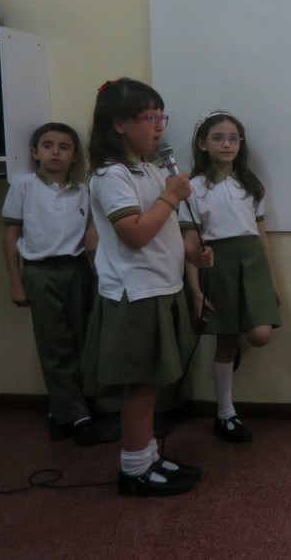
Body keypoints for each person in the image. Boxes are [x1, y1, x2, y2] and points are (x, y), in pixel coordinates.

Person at [84, 78, 213, 496]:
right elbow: (135, 234)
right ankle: (134, 469)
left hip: (162, 287)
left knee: (153, 383)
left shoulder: (152, 171)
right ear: (119, 123)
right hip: (135, 294)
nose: (159, 127)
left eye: (161, 117)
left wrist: (191, 254)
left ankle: (148, 456)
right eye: (149, 117)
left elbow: (162, 233)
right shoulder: (111, 175)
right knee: (140, 386)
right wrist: (172, 196)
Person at [180, 111, 280, 444]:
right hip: (217, 265)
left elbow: (261, 235)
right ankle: (225, 413)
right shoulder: (194, 188)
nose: (227, 144)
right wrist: (195, 290)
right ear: (202, 144)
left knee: (260, 334)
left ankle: (233, 353)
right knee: (225, 342)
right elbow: (191, 244)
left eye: (234, 138)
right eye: (218, 138)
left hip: (252, 264)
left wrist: (272, 280)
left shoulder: (251, 185)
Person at [2, 122, 99, 446]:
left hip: (77, 271)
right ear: (35, 152)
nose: (55, 152)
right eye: (47, 145)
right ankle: (79, 416)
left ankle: (61, 410)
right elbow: (11, 236)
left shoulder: (83, 191)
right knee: (54, 345)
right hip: (39, 272)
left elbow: (92, 235)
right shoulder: (24, 186)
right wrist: (16, 282)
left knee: (81, 341)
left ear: (75, 156)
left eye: (64, 147)